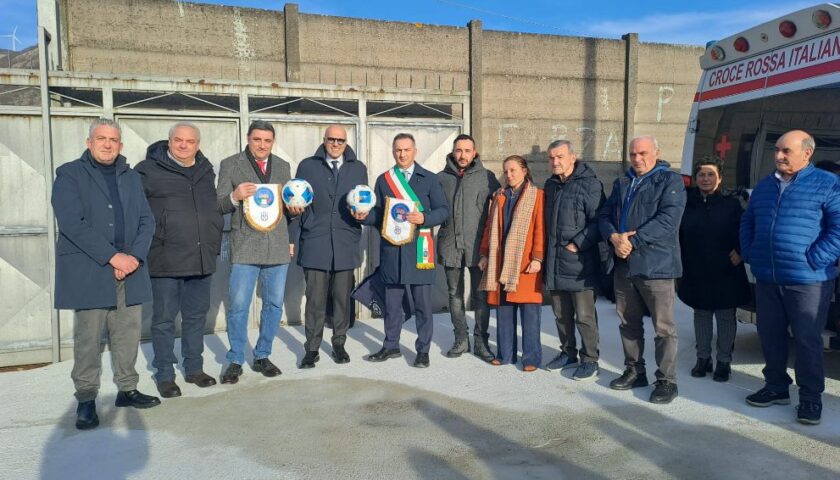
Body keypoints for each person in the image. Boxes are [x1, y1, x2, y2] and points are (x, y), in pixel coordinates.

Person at [53, 118, 161, 430]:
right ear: (89, 142)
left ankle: (127, 389)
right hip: (92, 268)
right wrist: (113, 257)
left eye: (113, 139)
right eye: (101, 138)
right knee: (89, 338)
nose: (107, 144)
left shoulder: (130, 176)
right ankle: (86, 398)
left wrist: (133, 258)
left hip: (130, 270)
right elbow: (72, 223)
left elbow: (146, 220)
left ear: (121, 145)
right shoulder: (69, 174)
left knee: (127, 334)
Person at [740, 129, 840, 425]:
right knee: (770, 334)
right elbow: (748, 220)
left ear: (807, 153)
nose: (779, 156)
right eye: (777, 150)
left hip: (808, 280)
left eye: (786, 151)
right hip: (768, 276)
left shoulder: (827, 184)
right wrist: (751, 252)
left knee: (808, 340)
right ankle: (776, 387)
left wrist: (814, 259)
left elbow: (837, 229)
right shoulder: (766, 184)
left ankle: (810, 398)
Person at [136, 122, 224, 398]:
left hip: (200, 258)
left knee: (196, 318)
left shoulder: (205, 170)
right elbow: (137, 212)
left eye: (190, 141)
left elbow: (211, 208)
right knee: (163, 320)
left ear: (198, 144)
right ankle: (165, 374)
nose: (184, 145)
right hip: (165, 258)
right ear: (170, 141)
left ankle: (194, 369)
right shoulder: (148, 170)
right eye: (178, 140)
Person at [598, 135, 686, 404]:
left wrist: (632, 242)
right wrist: (614, 237)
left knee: (663, 327)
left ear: (656, 152)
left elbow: (668, 220)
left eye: (643, 153)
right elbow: (604, 216)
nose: (637, 159)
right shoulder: (622, 182)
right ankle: (635, 370)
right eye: (633, 154)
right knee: (628, 322)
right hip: (624, 266)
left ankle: (666, 380)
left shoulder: (670, 181)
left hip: (656, 266)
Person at [360, 133, 449, 368]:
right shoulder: (384, 180)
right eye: (398, 150)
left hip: (420, 249)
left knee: (422, 305)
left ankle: (423, 350)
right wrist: (364, 217)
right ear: (393, 151)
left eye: (406, 150)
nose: (402, 154)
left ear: (415, 151)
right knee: (391, 304)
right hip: (393, 250)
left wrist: (424, 217)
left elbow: (443, 211)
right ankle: (391, 345)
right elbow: (379, 214)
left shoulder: (429, 179)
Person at [216, 120, 294, 383]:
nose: (262, 145)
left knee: (273, 304)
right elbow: (218, 205)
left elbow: (289, 206)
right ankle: (236, 358)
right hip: (246, 245)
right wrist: (234, 196)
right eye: (257, 139)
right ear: (248, 138)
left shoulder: (283, 167)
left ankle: (262, 355)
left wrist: (296, 207)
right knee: (238, 305)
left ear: (273, 142)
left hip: (278, 245)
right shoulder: (230, 164)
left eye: (267, 140)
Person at [292, 125, 368, 368]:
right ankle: (312, 348)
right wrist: (294, 236)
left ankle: (339, 343)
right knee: (314, 299)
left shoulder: (358, 169)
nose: (336, 144)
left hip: (345, 243)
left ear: (346, 142)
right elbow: (297, 201)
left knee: (342, 299)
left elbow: (363, 201)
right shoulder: (307, 165)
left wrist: (362, 215)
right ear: (324, 140)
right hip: (316, 241)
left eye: (340, 140)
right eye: (331, 139)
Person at [678, 157, 749, 383]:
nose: (705, 179)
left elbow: (746, 230)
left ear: (719, 178)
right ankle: (703, 358)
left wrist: (740, 252)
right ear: (696, 178)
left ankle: (724, 361)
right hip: (696, 266)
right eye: (701, 175)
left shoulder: (732, 204)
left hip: (726, 267)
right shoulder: (687, 202)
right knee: (702, 313)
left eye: (710, 175)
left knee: (725, 315)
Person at [542, 140, 605, 380]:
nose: (555, 162)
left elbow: (600, 221)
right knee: (561, 314)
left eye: (559, 156)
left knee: (585, 317)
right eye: (551, 158)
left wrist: (578, 243)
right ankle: (568, 353)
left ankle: (590, 359)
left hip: (580, 264)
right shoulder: (551, 185)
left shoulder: (590, 185)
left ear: (572, 157)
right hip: (555, 262)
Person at [436, 134, 500, 362]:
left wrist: (492, 248)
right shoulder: (441, 178)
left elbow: (498, 212)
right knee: (454, 294)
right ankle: (460, 339)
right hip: (450, 245)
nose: (462, 155)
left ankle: (481, 341)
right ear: (453, 152)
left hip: (477, 248)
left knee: (480, 296)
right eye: (458, 150)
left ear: (475, 152)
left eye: (467, 150)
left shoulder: (488, 178)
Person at [479, 155, 545, 372]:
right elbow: (489, 227)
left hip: (525, 262)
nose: (509, 175)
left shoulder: (537, 196)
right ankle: (505, 354)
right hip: (501, 261)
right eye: (506, 171)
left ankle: (531, 358)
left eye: (513, 170)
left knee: (529, 312)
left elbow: (539, 228)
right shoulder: (499, 196)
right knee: (504, 310)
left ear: (524, 171)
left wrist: (537, 257)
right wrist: (485, 254)